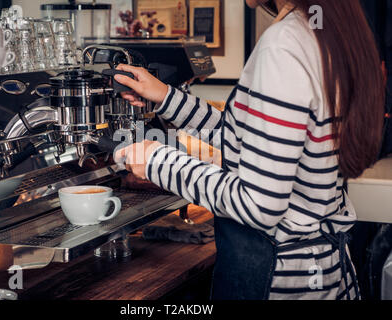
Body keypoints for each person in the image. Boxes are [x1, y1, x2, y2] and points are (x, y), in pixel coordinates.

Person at [113, 0, 385, 300]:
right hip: (326, 274)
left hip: (279, 280)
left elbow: (260, 205)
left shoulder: (282, 46)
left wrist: (157, 160)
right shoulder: (319, 30)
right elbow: (246, 139)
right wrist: (165, 98)